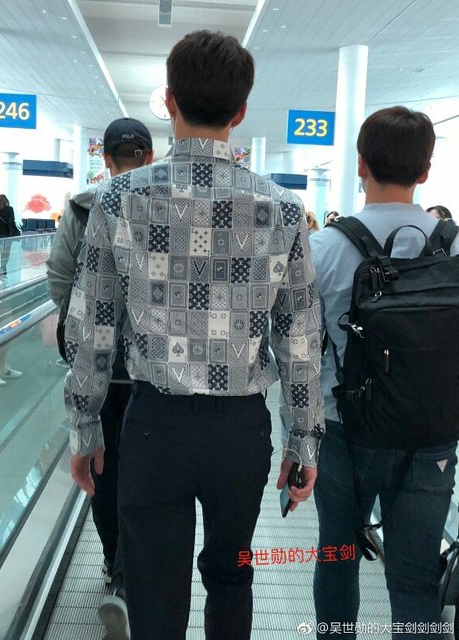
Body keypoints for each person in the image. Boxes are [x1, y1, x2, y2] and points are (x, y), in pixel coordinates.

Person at [63, 30, 324, 640]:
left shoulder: (118, 199)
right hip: (241, 430)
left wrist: (85, 426)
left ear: (170, 101)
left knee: (154, 584)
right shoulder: (283, 208)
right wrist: (304, 440)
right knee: (231, 576)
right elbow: (300, 337)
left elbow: (92, 324)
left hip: (154, 425)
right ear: (241, 112)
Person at [310, 106, 459, 638]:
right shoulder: (454, 246)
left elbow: (300, 351)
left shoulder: (325, 247)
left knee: (337, 554)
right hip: (432, 433)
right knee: (416, 578)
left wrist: (295, 438)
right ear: (426, 170)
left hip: (343, 430)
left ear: (360, 164)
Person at [47, 117, 154, 640]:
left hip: (99, 374)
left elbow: (59, 277)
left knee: (100, 473)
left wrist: (84, 326)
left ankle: (115, 565)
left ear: (105, 159)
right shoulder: (164, 203)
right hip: (152, 374)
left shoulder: (83, 208)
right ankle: (132, 576)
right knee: (148, 478)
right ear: (150, 158)